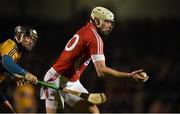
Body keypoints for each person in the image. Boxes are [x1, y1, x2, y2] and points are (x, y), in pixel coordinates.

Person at [41, 6, 148, 113]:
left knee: (93, 112)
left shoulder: (87, 30)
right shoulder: (94, 38)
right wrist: (129, 75)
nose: (110, 26)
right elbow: (101, 71)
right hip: (55, 80)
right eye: (107, 22)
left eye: (111, 23)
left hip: (72, 82)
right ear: (97, 20)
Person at [0, 26, 38, 112]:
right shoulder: (10, 44)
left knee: (10, 111)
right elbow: (6, 62)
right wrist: (26, 73)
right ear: (20, 35)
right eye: (28, 37)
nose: (31, 41)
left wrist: (14, 76)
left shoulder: (17, 54)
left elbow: (3, 68)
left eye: (33, 39)